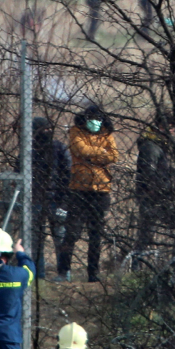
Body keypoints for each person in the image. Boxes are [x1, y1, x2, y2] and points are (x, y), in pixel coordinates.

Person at [55, 105, 118, 283]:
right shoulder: (76, 131)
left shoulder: (107, 134)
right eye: (92, 119)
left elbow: (114, 155)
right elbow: (80, 150)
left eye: (98, 119)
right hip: (79, 189)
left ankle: (93, 273)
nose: (95, 123)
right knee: (72, 232)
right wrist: (100, 153)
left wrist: (91, 156)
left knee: (95, 234)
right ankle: (63, 270)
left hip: (101, 190)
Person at [24, 116, 71, 274]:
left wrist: (64, 202)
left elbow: (68, 175)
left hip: (56, 200)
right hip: (35, 200)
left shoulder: (59, 148)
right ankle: (38, 273)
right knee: (37, 239)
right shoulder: (29, 151)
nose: (48, 132)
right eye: (44, 129)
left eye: (50, 129)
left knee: (60, 236)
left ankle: (64, 272)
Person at [135, 111, 174, 252]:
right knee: (146, 232)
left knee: (146, 231)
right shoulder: (151, 147)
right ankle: (137, 262)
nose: (174, 131)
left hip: (159, 193)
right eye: (171, 127)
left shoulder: (161, 146)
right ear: (162, 127)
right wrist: (155, 190)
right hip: (154, 195)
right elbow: (148, 172)